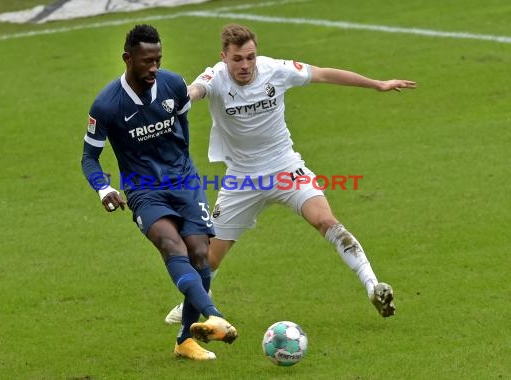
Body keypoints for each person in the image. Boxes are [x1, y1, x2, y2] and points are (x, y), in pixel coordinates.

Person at [165, 23, 417, 324]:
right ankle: (192, 303)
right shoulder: (215, 77)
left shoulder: (276, 70)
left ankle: (373, 286)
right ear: (224, 57)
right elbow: (196, 91)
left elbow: (323, 73)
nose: (245, 65)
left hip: (285, 168)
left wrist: (376, 83)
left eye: (250, 57)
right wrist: (181, 97)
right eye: (237, 59)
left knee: (326, 220)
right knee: (209, 258)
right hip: (242, 179)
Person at [81, 24, 237, 361]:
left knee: (199, 254)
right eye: (146, 61)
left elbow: (182, 131)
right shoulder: (106, 105)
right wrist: (104, 187)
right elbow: (89, 157)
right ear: (128, 58)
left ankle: (185, 342)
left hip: (184, 181)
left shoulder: (173, 85)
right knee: (171, 245)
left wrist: (184, 172)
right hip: (143, 190)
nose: (153, 68)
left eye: (158, 60)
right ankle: (215, 316)